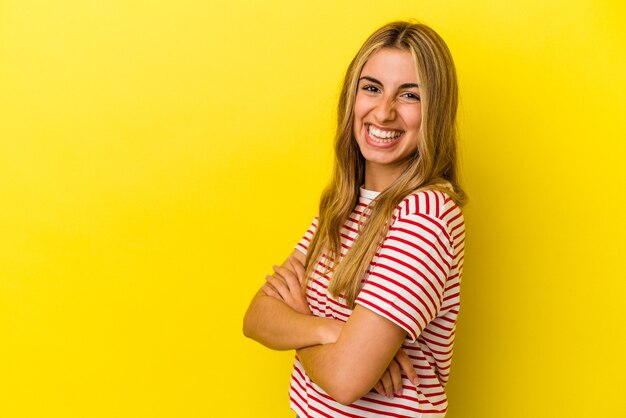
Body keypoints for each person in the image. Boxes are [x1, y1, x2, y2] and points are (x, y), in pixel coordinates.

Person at [243, 20, 466, 418]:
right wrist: (330, 331)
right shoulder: (343, 206)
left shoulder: (423, 216)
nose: (384, 112)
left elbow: (346, 380)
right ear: (353, 96)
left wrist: (299, 322)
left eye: (410, 95)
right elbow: (257, 316)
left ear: (434, 111)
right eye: (372, 88)